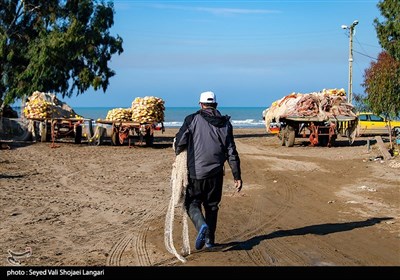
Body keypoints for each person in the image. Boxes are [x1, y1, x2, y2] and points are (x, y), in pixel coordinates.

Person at [174, 91, 242, 250]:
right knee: (212, 206)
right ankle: (209, 241)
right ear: (216, 105)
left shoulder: (192, 119)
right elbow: (231, 151)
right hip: (216, 174)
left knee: (191, 203)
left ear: (200, 104)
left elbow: (180, 141)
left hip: (196, 173)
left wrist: (178, 153)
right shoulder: (225, 123)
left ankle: (201, 225)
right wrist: (237, 176)